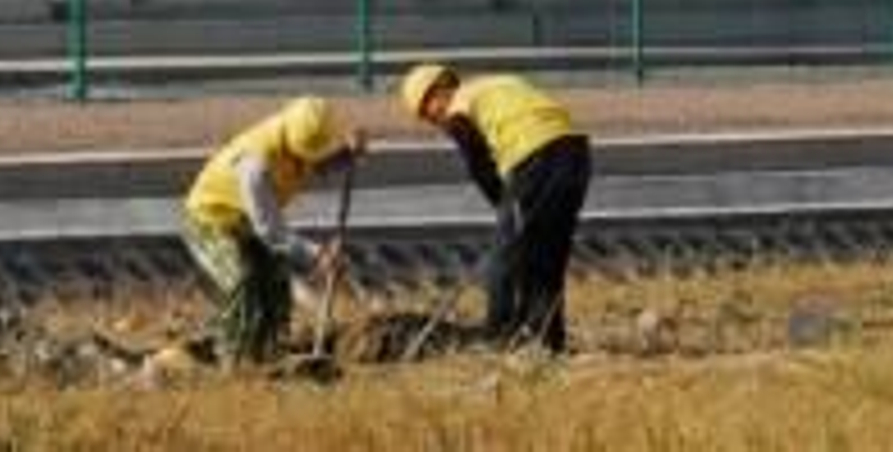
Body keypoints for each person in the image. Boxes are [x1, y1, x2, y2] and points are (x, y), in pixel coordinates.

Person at [399, 62, 591, 353]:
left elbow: (480, 167)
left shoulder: (458, 109)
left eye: (428, 112)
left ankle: (497, 338)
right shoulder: (499, 83)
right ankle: (550, 343)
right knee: (547, 257)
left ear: (439, 90)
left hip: (536, 158)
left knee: (504, 259)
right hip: (577, 154)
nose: (434, 121)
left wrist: (504, 210)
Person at [180, 95, 365, 365]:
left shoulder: (307, 135)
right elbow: (271, 232)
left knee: (277, 280)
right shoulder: (255, 165)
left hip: (247, 223)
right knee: (241, 281)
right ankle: (234, 360)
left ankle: (270, 350)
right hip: (211, 220)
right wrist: (319, 256)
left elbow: (317, 162)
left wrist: (348, 154)